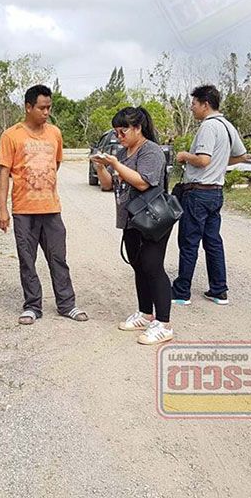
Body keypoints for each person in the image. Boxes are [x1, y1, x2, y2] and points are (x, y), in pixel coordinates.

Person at [0, 84, 88, 325]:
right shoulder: (11, 135)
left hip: (51, 209)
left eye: (49, 107)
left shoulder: (54, 133)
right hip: (24, 210)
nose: (46, 112)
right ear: (28, 107)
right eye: (42, 108)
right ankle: (32, 306)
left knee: (58, 259)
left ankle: (67, 304)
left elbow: (55, 164)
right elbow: (4, 173)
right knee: (27, 260)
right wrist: (2, 208)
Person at [92, 107, 174, 345]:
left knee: (152, 266)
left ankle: (164, 324)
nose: (119, 136)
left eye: (123, 131)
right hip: (130, 219)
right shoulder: (123, 152)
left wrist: (116, 164)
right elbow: (107, 184)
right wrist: (100, 167)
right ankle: (145, 313)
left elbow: (143, 182)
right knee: (138, 266)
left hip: (152, 219)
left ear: (138, 128)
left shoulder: (151, 151)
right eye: (116, 132)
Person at [171, 85, 247, 306]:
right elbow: (242, 155)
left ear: (205, 104)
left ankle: (181, 292)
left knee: (189, 242)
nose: (191, 108)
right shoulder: (228, 126)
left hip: (198, 193)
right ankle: (219, 290)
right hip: (216, 193)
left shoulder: (208, 126)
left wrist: (185, 156)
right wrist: (220, 164)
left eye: (194, 104)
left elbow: (203, 160)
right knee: (213, 242)